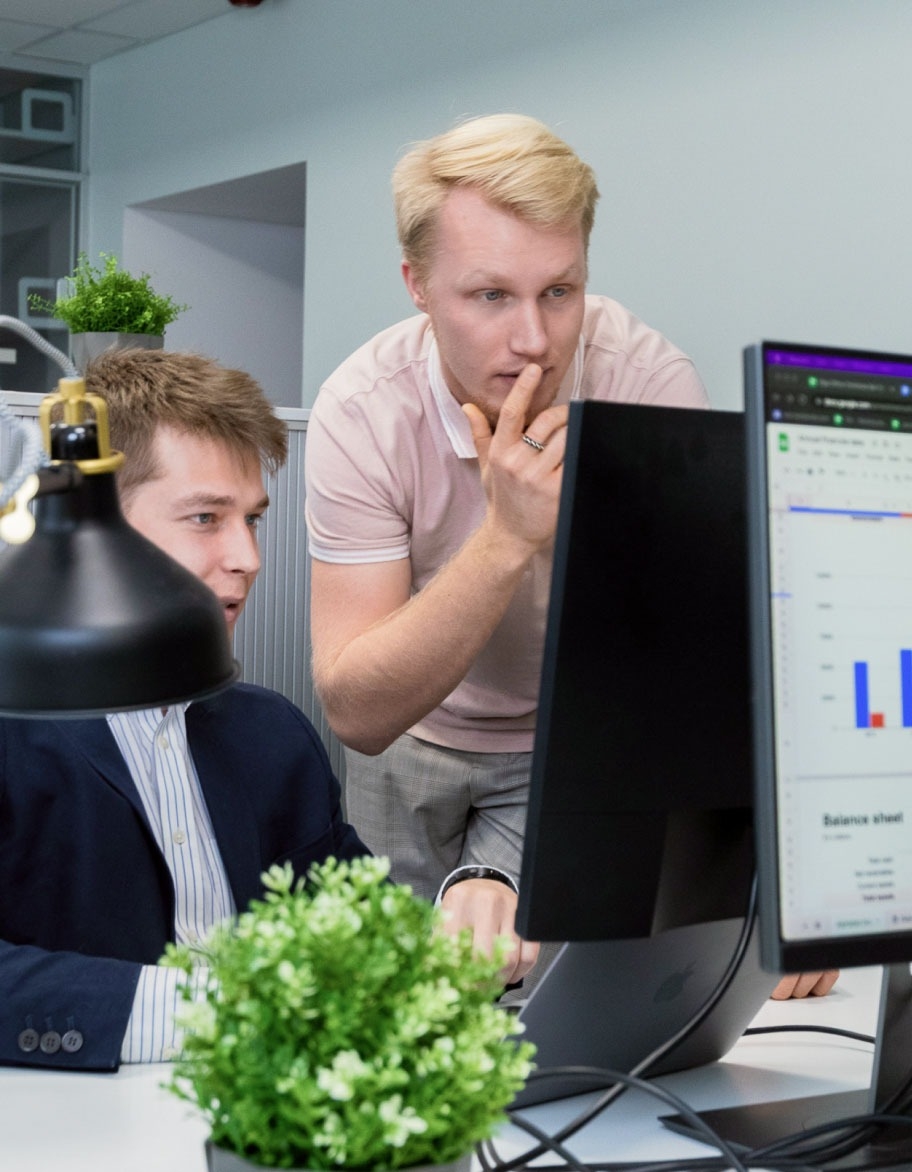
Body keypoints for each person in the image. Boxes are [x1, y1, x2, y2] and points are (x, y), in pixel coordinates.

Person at [304, 112, 838, 1002]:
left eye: (560, 292)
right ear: (418, 285)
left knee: (566, 1025)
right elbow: (359, 708)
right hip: (408, 741)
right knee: (406, 1024)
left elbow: (708, 664)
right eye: (490, 297)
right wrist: (507, 537)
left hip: (572, 745)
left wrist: (801, 880)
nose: (535, 342)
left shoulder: (647, 382)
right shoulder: (362, 412)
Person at [0, 348, 534, 1073]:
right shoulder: (15, 731)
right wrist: (226, 1009)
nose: (248, 556)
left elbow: (362, 935)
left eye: (250, 519)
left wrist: (473, 907)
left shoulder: (271, 735)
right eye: (204, 518)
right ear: (91, 524)